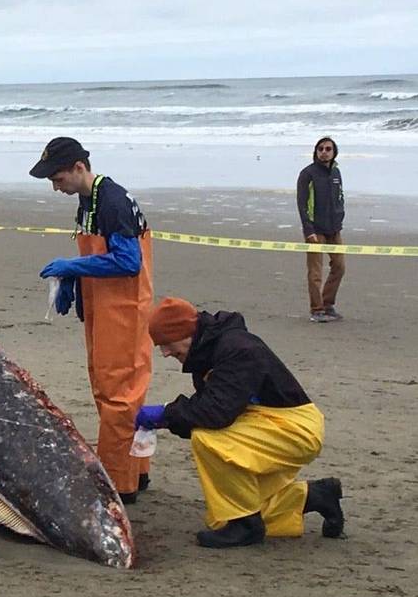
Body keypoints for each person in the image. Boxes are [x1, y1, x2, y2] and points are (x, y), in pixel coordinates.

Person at [136, 297, 345, 548]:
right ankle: (315, 496)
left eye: (167, 344)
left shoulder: (237, 349)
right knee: (239, 505)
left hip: (295, 428)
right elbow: (215, 405)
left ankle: (244, 523)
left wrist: (166, 414)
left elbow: (215, 412)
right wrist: (169, 417)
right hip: (271, 422)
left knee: (209, 440)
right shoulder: (210, 352)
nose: (166, 353)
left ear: (186, 333)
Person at [30, 137, 154, 504]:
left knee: (120, 395)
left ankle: (120, 483)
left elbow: (128, 261)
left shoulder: (113, 201)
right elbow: (98, 252)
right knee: (107, 388)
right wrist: (73, 280)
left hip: (125, 311)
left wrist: (73, 266)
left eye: (58, 179)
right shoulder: (87, 201)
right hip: (102, 307)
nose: (56, 187)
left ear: (79, 168)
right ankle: (135, 469)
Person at [297, 137, 346, 323]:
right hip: (315, 230)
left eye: (328, 149)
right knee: (315, 272)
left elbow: (340, 196)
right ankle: (317, 309)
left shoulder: (336, 172)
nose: (324, 152)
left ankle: (328, 304)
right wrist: (308, 229)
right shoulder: (307, 174)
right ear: (316, 151)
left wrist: (340, 216)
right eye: (320, 149)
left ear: (334, 152)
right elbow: (302, 204)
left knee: (340, 267)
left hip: (334, 228)